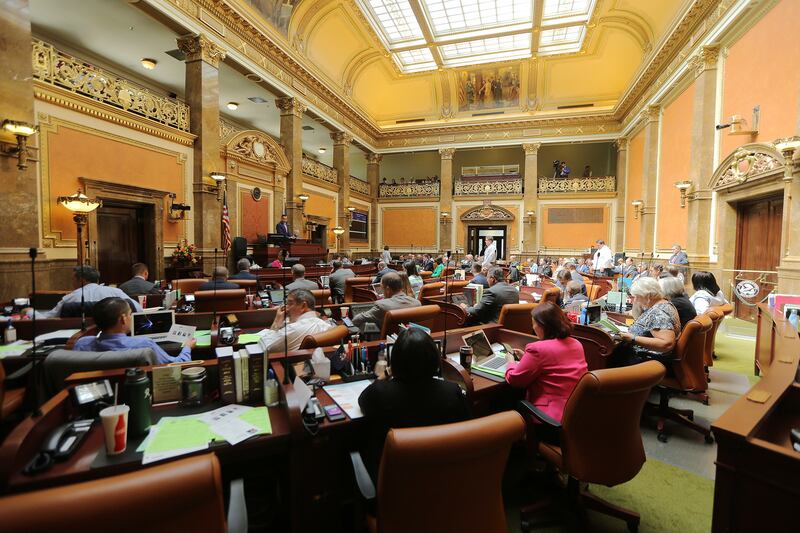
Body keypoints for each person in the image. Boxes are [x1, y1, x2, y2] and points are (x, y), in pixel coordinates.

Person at [359, 327, 470, 480]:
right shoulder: (452, 391)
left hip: (396, 486)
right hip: (444, 480)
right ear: (434, 358)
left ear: (395, 361)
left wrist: (386, 374)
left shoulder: (379, 393)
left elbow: (362, 400)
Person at [504, 303, 587, 423]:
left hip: (549, 421)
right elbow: (554, 367)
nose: (533, 328)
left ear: (543, 326)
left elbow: (515, 380)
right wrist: (526, 359)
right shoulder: (576, 344)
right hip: (576, 414)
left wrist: (510, 362)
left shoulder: (538, 349)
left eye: (534, 323)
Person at [73, 297, 193, 365]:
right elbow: (177, 365)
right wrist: (188, 347)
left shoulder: (82, 344)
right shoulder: (144, 345)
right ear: (123, 319)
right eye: (130, 314)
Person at [612, 277, 680, 368]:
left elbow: (666, 344)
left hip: (646, 361)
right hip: (645, 358)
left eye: (637, 296)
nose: (634, 300)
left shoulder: (658, 313)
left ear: (648, 296)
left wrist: (633, 338)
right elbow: (639, 317)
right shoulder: (664, 304)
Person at [24, 266, 141, 318]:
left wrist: (30, 312)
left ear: (82, 280)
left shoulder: (70, 298)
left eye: (73, 279)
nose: (72, 282)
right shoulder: (116, 292)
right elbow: (138, 309)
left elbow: (48, 319)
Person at [257, 289, 333, 353]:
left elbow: (263, 347)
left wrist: (276, 322)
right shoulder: (327, 326)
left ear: (303, 306)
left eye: (289, 304)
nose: (287, 308)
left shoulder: (293, 329)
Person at [353, 273, 420, 332]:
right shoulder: (417, 303)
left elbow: (356, 320)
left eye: (382, 288)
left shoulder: (382, 306)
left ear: (387, 289)